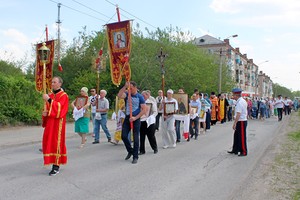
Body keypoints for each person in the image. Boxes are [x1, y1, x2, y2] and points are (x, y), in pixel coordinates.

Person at [42, 76, 69, 176]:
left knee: (56, 143)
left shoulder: (64, 96)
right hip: (50, 123)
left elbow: (60, 109)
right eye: (52, 82)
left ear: (60, 84)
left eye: (54, 82)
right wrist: (44, 113)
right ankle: (51, 161)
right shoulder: (51, 95)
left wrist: (49, 100)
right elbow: (49, 109)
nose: (52, 84)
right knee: (48, 141)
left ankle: (56, 166)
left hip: (58, 124)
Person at [118, 81, 146, 164]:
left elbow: (144, 110)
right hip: (127, 118)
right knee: (123, 136)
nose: (129, 89)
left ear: (135, 87)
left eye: (131, 87)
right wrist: (124, 87)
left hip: (135, 119)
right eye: (128, 88)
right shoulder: (127, 94)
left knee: (136, 137)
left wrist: (135, 118)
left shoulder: (140, 97)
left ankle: (135, 156)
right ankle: (130, 150)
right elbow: (119, 95)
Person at [228, 88, 248, 156]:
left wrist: (235, 123)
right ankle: (235, 149)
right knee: (236, 136)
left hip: (241, 121)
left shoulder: (240, 102)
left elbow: (238, 114)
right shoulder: (240, 101)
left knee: (242, 136)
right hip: (240, 120)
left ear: (236, 95)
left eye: (233, 95)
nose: (233, 96)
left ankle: (243, 151)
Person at [139, 90, 158, 155]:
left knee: (151, 136)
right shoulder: (140, 102)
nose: (143, 97)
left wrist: (151, 116)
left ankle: (155, 148)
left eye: (144, 96)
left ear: (147, 96)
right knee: (142, 136)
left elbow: (155, 112)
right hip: (141, 121)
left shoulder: (151, 102)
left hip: (150, 121)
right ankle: (142, 150)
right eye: (142, 96)